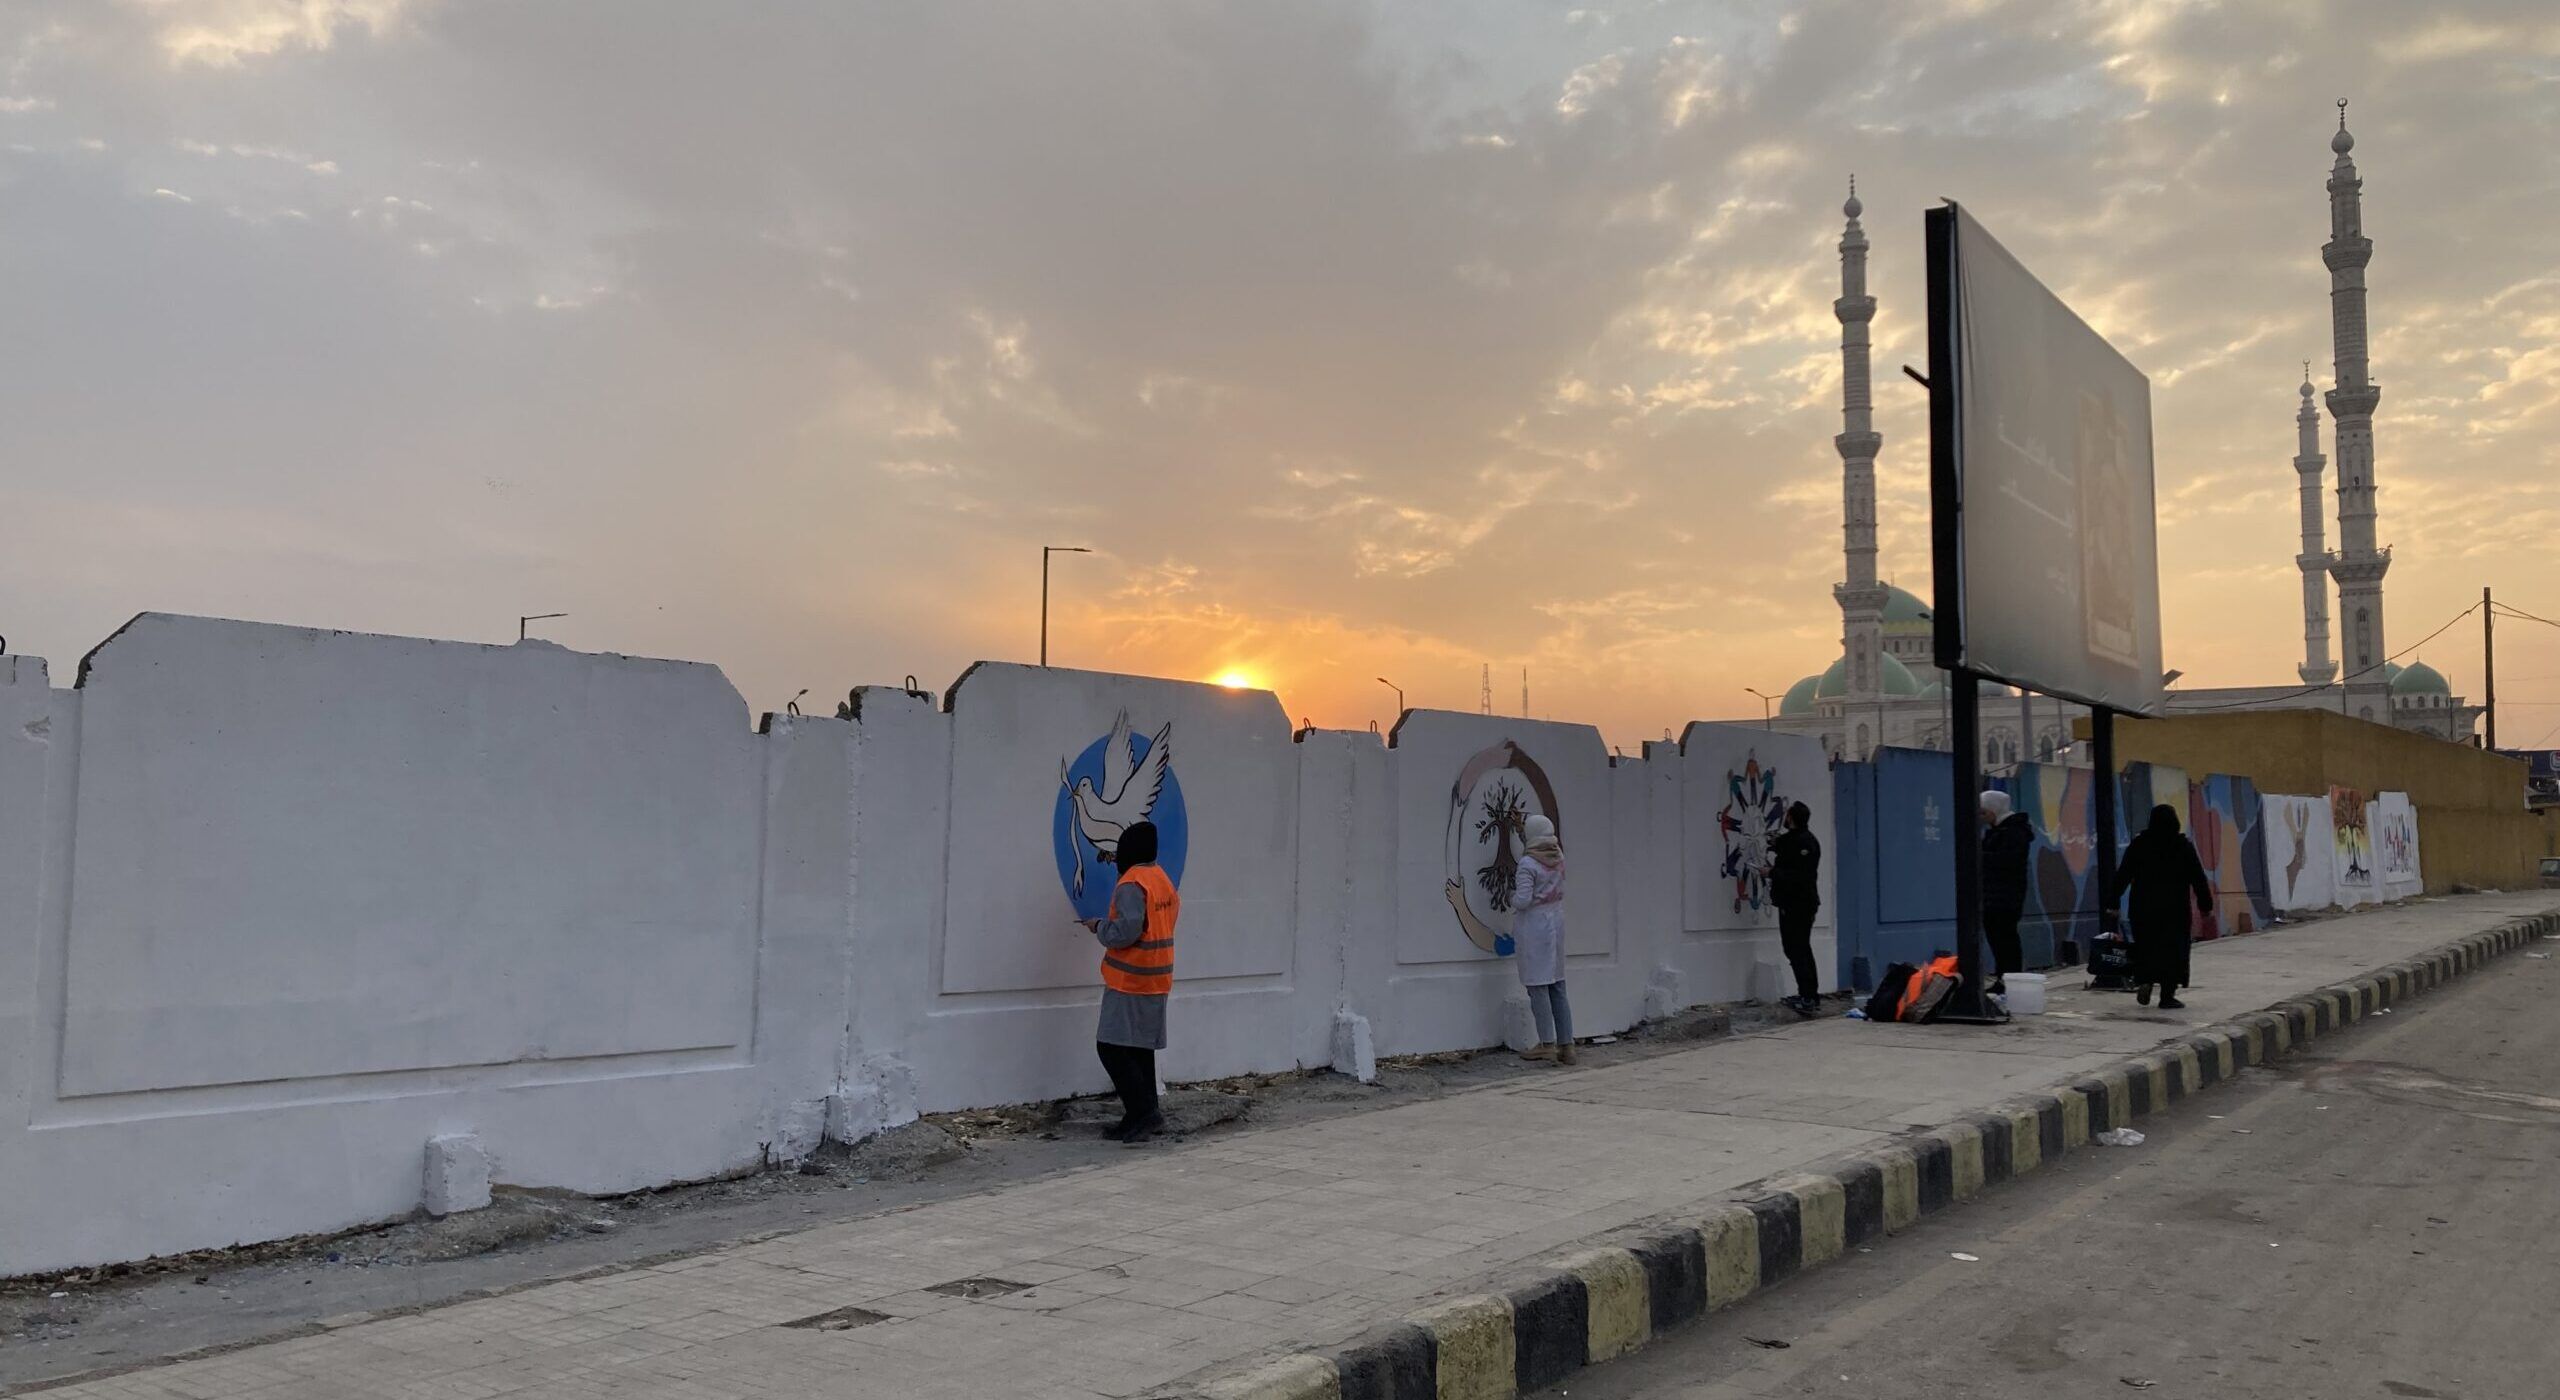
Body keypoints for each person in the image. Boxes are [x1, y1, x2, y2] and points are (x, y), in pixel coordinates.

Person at [1086, 820, 1176, 1141]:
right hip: (1157, 977)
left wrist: (1099, 927)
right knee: (1139, 1049)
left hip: (1130, 979)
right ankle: (1141, 1115)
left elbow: (1126, 931)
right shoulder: (1160, 878)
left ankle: (1144, 1113)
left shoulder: (1131, 884)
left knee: (1110, 1047)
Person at [2106, 804, 2212, 1010]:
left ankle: (2145, 979)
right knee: (2174, 951)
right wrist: (2205, 906)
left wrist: (2113, 902)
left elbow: (2123, 874)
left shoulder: (2140, 844)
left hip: (2143, 908)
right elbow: (2198, 878)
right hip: (2175, 910)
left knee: (2146, 946)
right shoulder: (2182, 846)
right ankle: (2167, 995)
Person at [1511, 814, 1574, 1065]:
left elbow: (1523, 900)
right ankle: (1567, 1045)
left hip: (1535, 926)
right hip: (1556, 921)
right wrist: (1521, 831)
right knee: (1557, 985)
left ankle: (1546, 1044)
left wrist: (1509, 897)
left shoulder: (1527, 864)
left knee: (1537, 986)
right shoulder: (1558, 856)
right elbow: (1536, 844)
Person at [1768, 802, 1823, 1016]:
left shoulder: (1805, 843)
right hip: (1793, 903)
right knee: (1799, 948)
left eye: (1787, 814)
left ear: (1791, 817)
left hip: (1798, 904)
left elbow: (1800, 875)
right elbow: (1784, 847)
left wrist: (1772, 873)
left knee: (1797, 949)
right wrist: (1774, 844)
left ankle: (1807, 997)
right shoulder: (1796, 839)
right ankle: (1809, 995)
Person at [1979, 790, 2034, 994]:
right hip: (1997, 894)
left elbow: (2006, 861)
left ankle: (2009, 979)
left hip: (2005, 895)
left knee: (2005, 939)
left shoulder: (2012, 833)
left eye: (1984, 812)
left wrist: (1979, 856)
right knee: (1999, 938)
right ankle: (2005, 978)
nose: (1982, 817)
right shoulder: (2001, 830)